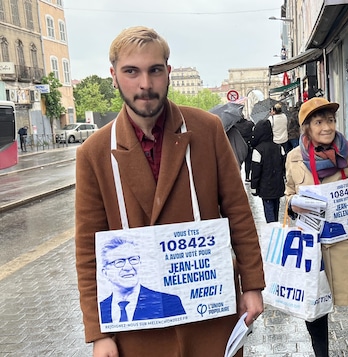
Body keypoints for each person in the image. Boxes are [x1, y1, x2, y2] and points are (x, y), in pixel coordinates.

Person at [74, 26, 265, 357]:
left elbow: (238, 212)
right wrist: (98, 332)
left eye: (154, 70)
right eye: (131, 72)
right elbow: (88, 249)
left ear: (168, 73)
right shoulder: (93, 152)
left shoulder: (206, 130)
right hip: (140, 332)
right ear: (114, 77)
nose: (145, 84)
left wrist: (252, 285)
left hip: (210, 317)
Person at [286, 97, 348, 357]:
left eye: (330, 120)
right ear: (306, 127)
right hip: (313, 249)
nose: (327, 127)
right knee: (315, 307)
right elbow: (288, 195)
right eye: (319, 122)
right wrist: (292, 205)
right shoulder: (294, 158)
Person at [99, 237, 185, 323]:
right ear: (105, 272)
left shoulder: (167, 302)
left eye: (133, 260)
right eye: (119, 262)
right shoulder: (100, 309)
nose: (128, 267)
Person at [250, 119, 285, 223]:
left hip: (265, 188)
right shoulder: (279, 147)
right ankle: (276, 230)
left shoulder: (258, 150)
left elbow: (255, 172)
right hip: (278, 186)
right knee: (276, 212)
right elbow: (284, 167)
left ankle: (272, 232)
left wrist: (254, 188)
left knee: (269, 215)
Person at [234, 115, 255, 181]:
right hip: (248, 144)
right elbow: (252, 124)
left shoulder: (235, 126)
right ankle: (247, 177)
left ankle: (238, 176)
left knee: (237, 160)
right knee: (248, 161)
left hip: (239, 145)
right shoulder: (249, 124)